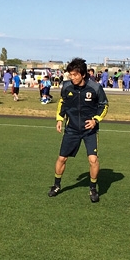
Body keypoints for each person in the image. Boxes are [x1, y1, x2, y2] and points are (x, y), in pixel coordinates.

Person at [48, 57, 108, 203]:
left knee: (93, 160)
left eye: (75, 75)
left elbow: (104, 105)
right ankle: (56, 185)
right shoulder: (67, 86)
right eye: (70, 74)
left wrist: (96, 120)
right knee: (62, 158)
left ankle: (93, 188)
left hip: (89, 130)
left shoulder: (95, 87)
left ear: (83, 74)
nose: (72, 77)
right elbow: (63, 103)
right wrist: (59, 119)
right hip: (72, 129)